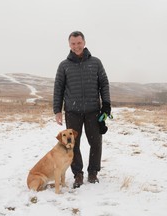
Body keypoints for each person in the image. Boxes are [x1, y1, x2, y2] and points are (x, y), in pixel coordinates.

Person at [53, 31, 111, 188]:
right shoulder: (64, 65)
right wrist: (57, 110)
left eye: (79, 43)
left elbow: (104, 84)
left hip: (94, 111)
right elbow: (58, 88)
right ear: (69, 45)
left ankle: (93, 172)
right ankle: (78, 174)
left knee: (96, 143)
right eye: (73, 43)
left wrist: (106, 105)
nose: (76, 46)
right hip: (72, 112)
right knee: (73, 144)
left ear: (84, 43)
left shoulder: (96, 63)